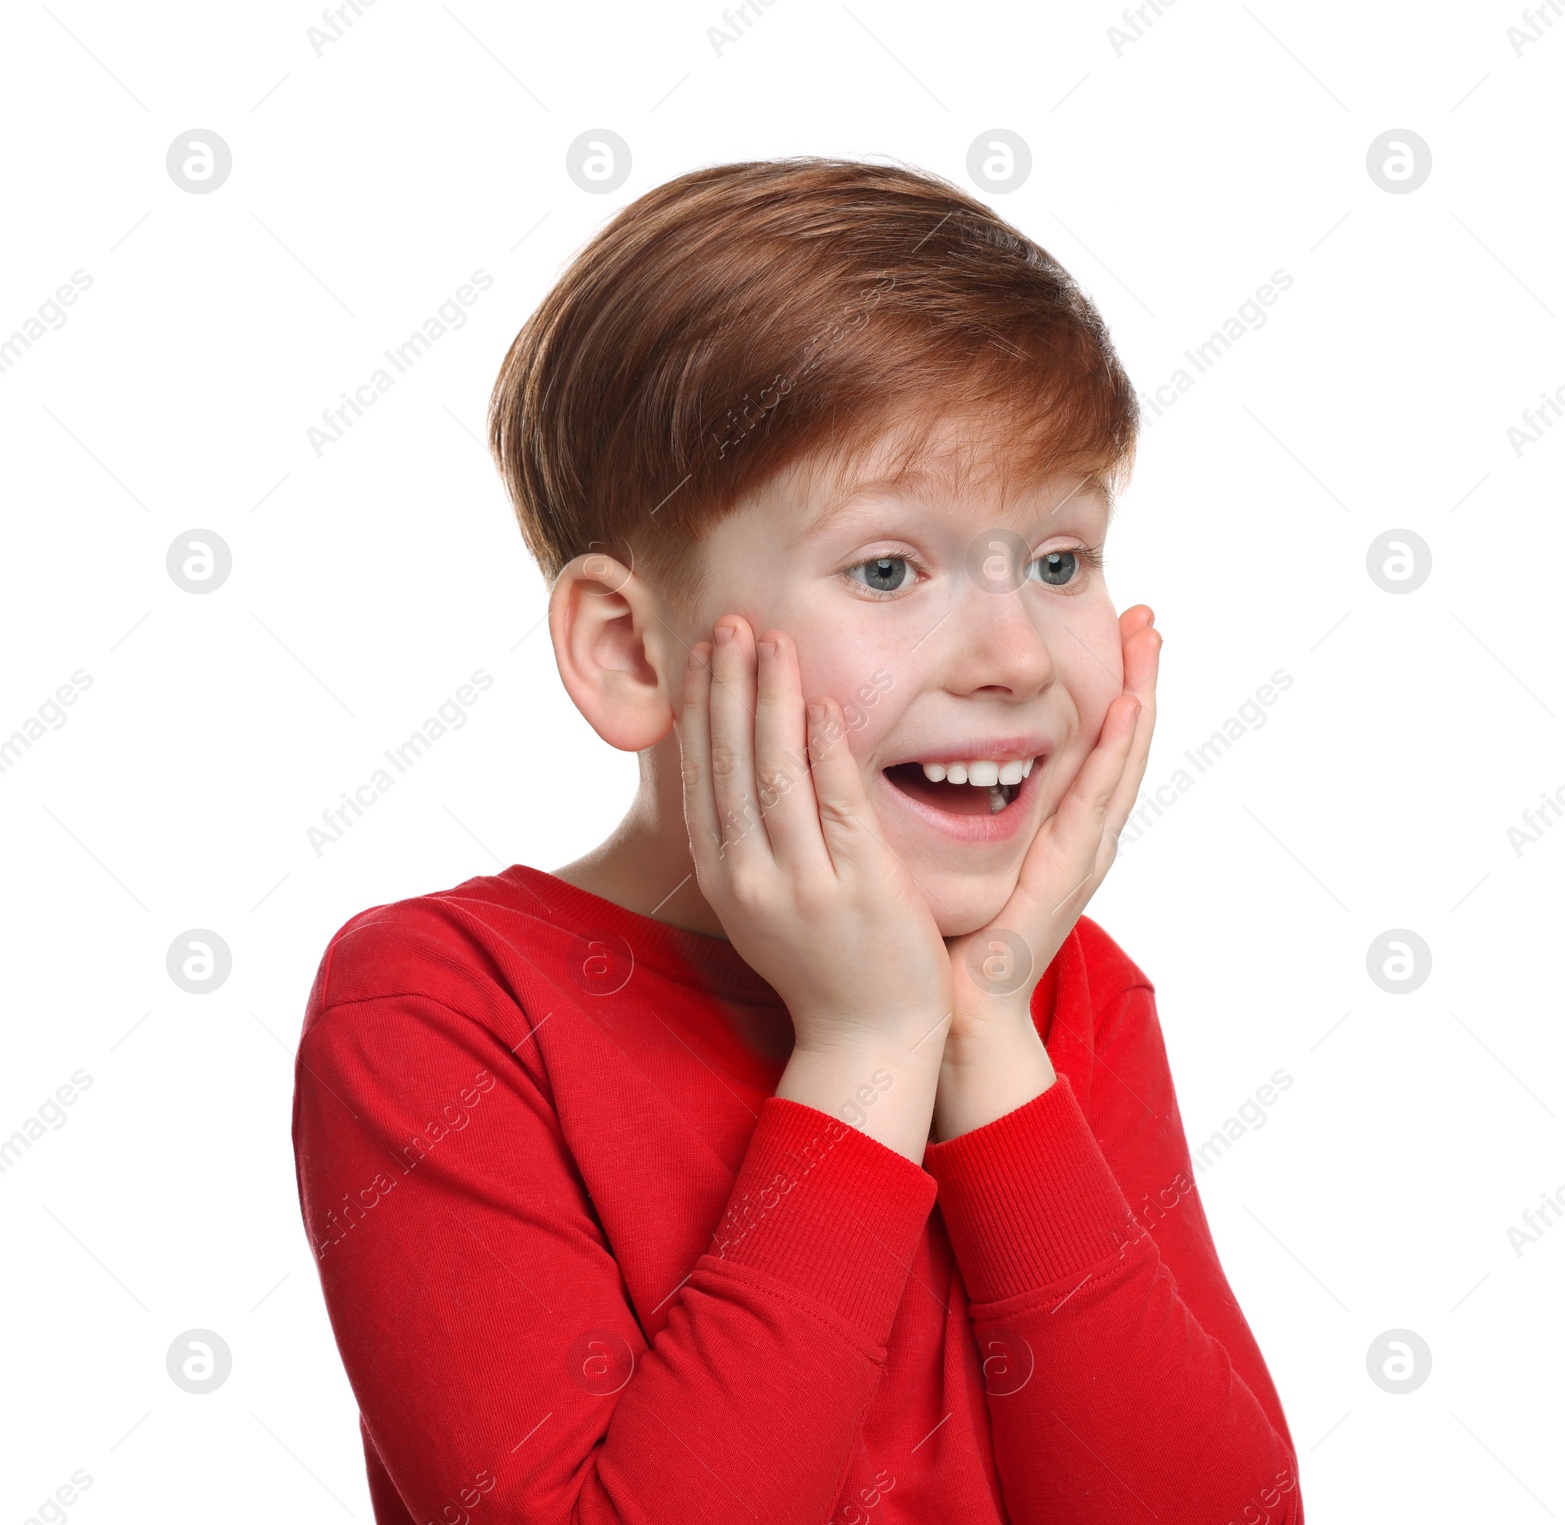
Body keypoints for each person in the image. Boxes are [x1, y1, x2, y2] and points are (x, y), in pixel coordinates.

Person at [292, 156, 1302, 1524]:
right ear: (629, 648)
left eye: (1059, 560)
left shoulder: (1063, 989)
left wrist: (982, 1026)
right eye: (889, 568)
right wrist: (868, 1047)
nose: (1014, 655)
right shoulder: (441, 1010)